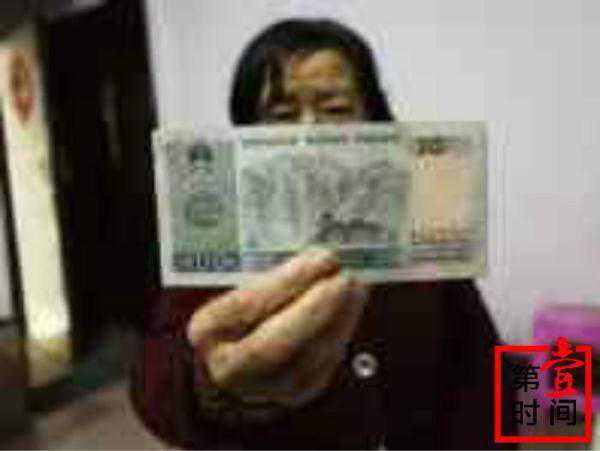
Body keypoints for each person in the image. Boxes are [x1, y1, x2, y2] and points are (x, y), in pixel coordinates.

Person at [132, 19, 512, 449]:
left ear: (375, 120)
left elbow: (483, 368)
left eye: (335, 109)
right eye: (281, 116)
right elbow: (153, 384)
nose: (309, 133)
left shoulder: (425, 235)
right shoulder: (220, 245)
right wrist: (205, 383)